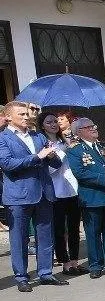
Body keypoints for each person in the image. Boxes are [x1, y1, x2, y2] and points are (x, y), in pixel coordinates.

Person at [0, 101, 65, 291]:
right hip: (19, 195)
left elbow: (56, 164)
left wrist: (53, 156)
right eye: (21, 114)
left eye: (27, 114)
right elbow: (8, 164)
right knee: (19, 238)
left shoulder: (38, 136)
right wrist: (38, 157)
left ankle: (45, 272)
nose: (26, 117)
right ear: (9, 117)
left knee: (45, 235)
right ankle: (21, 276)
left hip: (44, 192)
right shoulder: (3, 138)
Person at [66, 118, 105, 278]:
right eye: (89, 127)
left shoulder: (103, 146)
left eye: (94, 125)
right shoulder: (75, 150)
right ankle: (95, 265)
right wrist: (104, 179)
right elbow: (80, 173)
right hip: (92, 197)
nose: (94, 128)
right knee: (93, 233)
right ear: (79, 132)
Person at [39, 111, 86, 276]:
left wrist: (70, 146)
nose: (53, 124)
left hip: (72, 188)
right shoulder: (43, 145)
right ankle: (64, 262)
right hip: (56, 191)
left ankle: (74, 261)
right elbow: (50, 169)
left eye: (55, 121)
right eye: (48, 122)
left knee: (74, 227)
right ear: (42, 126)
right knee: (60, 229)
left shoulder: (64, 141)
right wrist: (62, 152)